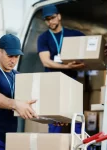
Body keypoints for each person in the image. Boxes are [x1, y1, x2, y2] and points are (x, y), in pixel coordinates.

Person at [0, 34, 38, 150]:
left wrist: (52, 119)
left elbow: (31, 104)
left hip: (10, 139)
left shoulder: (18, 77)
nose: (13, 61)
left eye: (16, 56)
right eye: (10, 56)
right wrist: (16, 104)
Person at [37, 4, 86, 133]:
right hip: (53, 84)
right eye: (47, 19)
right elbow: (46, 62)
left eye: (52, 18)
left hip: (71, 83)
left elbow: (90, 47)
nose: (50, 22)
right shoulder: (43, 38)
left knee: (77, 119)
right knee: (55, 121)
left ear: (59, 16)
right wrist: (66, 66)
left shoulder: (74, 34)